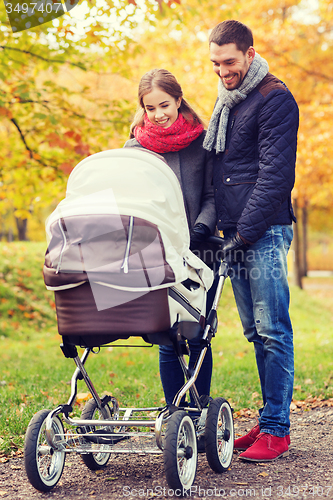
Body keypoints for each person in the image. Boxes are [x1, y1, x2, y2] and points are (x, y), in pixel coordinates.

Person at [203, 20, 299, 462]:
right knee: (254, 333)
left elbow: (275, 177)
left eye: (230, 62)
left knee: (273, 329)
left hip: (262, 231)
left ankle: (277, 429)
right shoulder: (229, 103)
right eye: (216, 63)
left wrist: (242, 234)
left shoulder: (274, 99)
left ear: (251, 55)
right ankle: (269, 416)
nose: (223, 71)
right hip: (234, 232)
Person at [124, 68, 218, 411]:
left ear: (178, 100)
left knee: (198, 335)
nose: (159, 114)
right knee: (168, 336)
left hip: (198, 249)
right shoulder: (134, 147)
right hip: (156, 252)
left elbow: (212, 195)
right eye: (150, 108)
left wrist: (201, 228)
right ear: (143, 109)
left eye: (164, 104)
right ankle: (175, 411)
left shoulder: (203, 142)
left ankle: (199, 409)